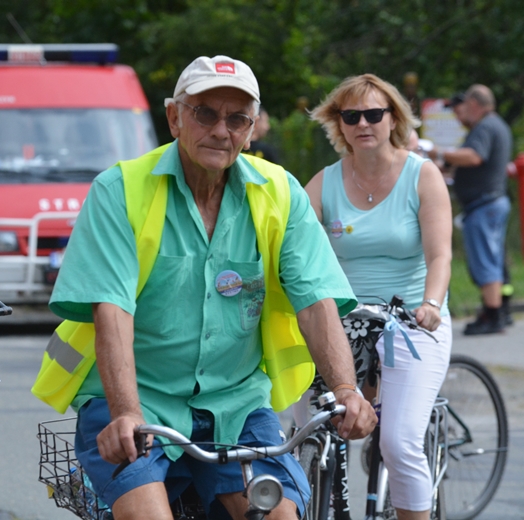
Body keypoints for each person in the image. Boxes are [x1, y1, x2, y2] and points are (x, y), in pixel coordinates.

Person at [32, 55, 377, 520]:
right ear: (174, 117)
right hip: (139, 398)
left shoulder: (280, 193)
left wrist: (346, 389)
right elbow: (112, 310)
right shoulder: (120, 190)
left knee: (277, 514)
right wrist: (126, 411)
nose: (221, 130)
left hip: (235, 403)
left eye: (237, 119)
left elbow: (316, 301)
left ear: (251, 130)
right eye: (205, 113)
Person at [307, 73, 453, 520]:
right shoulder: (325, 182)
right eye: (351, 116)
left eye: (373, 113)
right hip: (345, 321)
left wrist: (431, 304)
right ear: (339, 123)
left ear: (394, 119)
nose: (363, 124)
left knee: (399, 442)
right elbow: (292, 245)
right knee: (309, 432)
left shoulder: (421, 175)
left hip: (411, 319)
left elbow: (440, 255)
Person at [429, 85, 513, 334]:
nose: (462, 111)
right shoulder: (497, 125)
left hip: (483, 205)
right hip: (491, 203)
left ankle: (492, 316)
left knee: (485, 261)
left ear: (474, 104)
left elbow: (475, 156)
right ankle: (496, 311)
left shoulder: (484, 127)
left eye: (465, 105)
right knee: (492, 259)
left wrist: (439, 153)